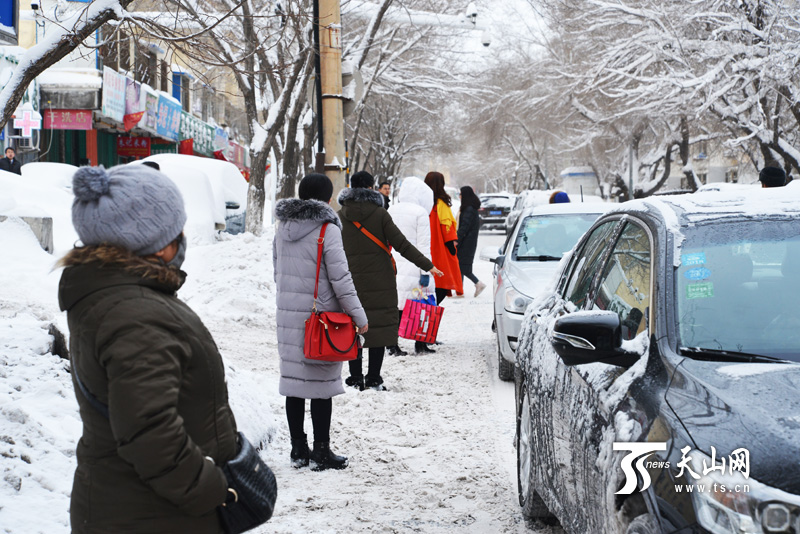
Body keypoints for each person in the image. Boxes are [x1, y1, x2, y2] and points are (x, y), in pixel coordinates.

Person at [58, 164, 238, 533]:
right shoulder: (135, 314)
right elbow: (148, 431)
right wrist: (211, 490)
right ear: (153, 242)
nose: (183, 235)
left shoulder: (113, 295)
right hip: (153, 515)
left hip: (133, 506)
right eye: (176, 229)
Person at [274, 173, 368, 471]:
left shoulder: (282, 227)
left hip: (288, 314)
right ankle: (321, 451)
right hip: (321, 319)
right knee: (321, 385)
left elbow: (277, 271)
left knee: (294, 384)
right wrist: (359, 317)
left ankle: (298, 450)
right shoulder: (327, 229)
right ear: (327, 198)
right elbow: (341, 279)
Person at [338, 170, 443, 390]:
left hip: (349, 280)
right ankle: (374, 378)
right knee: (378, 326)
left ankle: (355, 378)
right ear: (370, 188)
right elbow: (402, 245)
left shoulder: (339, 216)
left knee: (352, 326)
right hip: (381, 280)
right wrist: (427, 265)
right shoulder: (380, 214)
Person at [387, 176, 438, 354]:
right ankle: (420, 343)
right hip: (415, 265)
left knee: (396, 306)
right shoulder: (420, 213)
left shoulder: (391, 209)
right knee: (420, 304)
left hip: (395, 266)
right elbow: (423, 246)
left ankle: (392, 344)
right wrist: (426, 270)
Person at [424, 171, 463, 304]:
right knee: (440, 286)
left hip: (423, 249)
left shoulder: (422, 203)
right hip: (439, 251)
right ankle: (429, 315)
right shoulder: (441, 203)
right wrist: (452, 247)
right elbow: (447, 229)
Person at [457, 186, 486, 298]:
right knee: (462, 266)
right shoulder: (471, 208)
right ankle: (460, 290)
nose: (459, 196)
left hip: (466, 242)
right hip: (468, 242)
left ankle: (477, 284)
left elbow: (464, 227)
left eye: (461, 194)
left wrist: (457, 240)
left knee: (462, 266)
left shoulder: (469, 209)